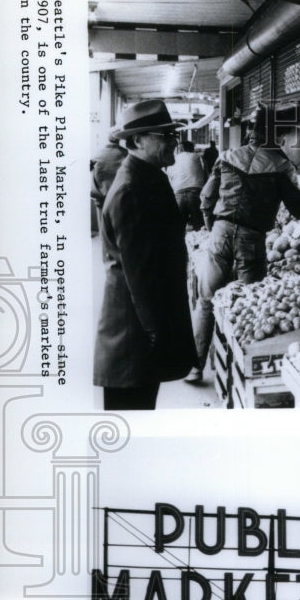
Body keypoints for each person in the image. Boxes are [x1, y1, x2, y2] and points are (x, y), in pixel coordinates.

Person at [185, 103, 300, 383]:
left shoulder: (226, 157)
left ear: (250, 131)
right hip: (252, 242)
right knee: (248, 306)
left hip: (219, 235)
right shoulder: (280, 166)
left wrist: (211, 226)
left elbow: (206, 199)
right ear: (275, 136)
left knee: (206, 300)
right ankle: (236, 374)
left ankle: (195, 368)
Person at [93, 99, 197, 410]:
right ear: (138, 140)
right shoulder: (131, 190)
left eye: (173, 136)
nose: (172, 144)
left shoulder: (148, 178)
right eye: (164, 137)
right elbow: (141, 275)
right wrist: (157, 337)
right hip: (132, 339)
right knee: (130, 424)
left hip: (140, 333)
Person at [167, 139, 207, 230]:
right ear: (192, 148)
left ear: (181, 149)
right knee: (199, 226)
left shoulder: (173, 159)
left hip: (178, 193)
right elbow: (206, 174)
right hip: (195, 193)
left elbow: (170, 176)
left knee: (178, 227)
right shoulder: (198, 157)